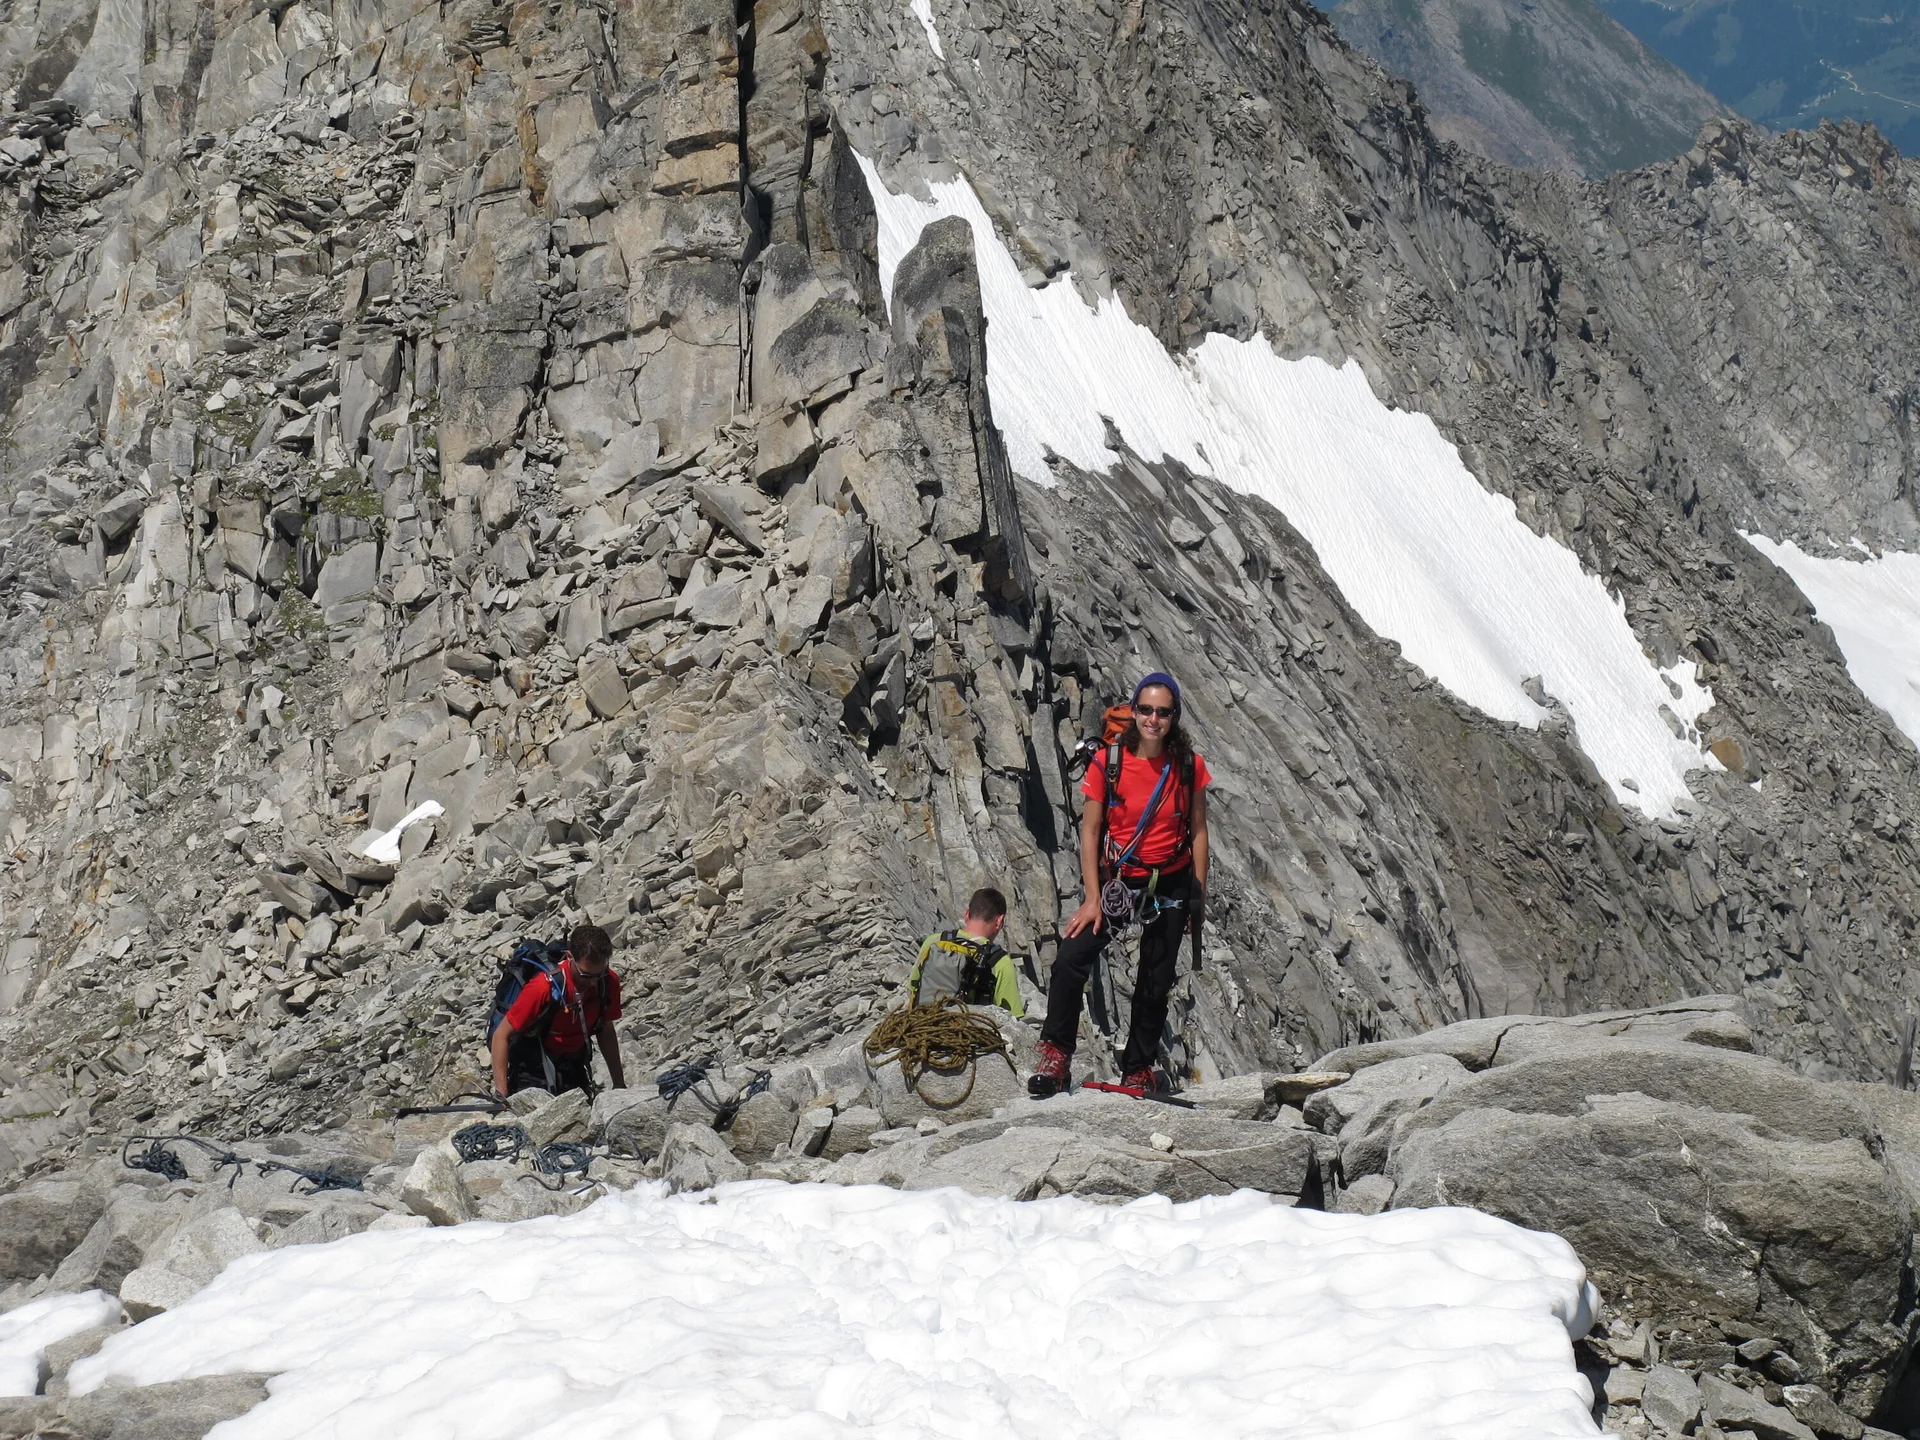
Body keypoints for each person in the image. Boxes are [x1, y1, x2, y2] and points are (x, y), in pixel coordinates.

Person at [1032, 672, 1210, 1098]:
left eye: (1163, 712)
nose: (1153, 719)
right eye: (1145, 709)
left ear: (1174, 716)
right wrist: (1093, 898)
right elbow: (1090, 832)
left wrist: (1197, 894)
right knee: (1071, 958)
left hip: (1171, 882)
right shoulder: (1108, 762)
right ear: (1134, 711)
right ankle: (1056, 1055)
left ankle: (1138, 1069)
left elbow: (1199, 830)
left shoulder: (1188, 766)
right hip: (1120, 883)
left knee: (1156, 977)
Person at [490, 923, 627, 1097]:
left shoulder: (608, 982)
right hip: (532, 1071)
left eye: (599, 973)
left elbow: (605, 1030)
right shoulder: (543, 987)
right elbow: (501, 1035)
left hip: (575, 1067)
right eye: (586, 975)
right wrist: (501, 1095)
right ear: (570, 957)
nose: (593, 982)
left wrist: (619, 1084)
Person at [906, 887, 1025, 1017]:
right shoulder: (999, 961)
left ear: (967, 914)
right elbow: (1013, 1017)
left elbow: (913, 987)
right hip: (965, 1033)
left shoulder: (934, 941)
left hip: (919, 1027)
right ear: (999, 921)